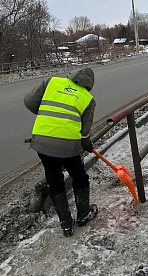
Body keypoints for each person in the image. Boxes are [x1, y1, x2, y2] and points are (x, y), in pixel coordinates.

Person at [24, 68, 98, 237]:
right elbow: (84, 131)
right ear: (89, 85)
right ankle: (83, 216)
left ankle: (66, 224)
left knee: (54, 179)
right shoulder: (87, 98)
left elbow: (29, 101)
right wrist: (86, 143)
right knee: (79, 177)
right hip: (68, 147)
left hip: (42, 142)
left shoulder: (52, 82)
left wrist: (45, 113)